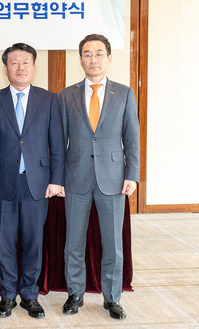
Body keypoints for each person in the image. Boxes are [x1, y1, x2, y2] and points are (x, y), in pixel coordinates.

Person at [58, 34, 139, 320]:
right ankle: (75, 293)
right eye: (87, 54)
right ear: (80, 59)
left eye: (99, 53)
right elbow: (59, 142)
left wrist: (133, 174)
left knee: (113, 244)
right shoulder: (66, 95)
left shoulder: (125, 93)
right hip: (76, 177)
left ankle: (112, 297)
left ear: (108, 57)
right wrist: (58, 179)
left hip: (114, 178)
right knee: (74, 242)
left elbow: (132, 137)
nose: (93, 59)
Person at [0, 43, 65, 319]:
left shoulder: (49, 99)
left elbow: (57, 144)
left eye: (25, 62)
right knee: (4, 241)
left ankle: (29, 294)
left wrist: (56, 180)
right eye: (14, 62)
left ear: (33, 66)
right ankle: (7, 295)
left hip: (37, 183)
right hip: (3, 184)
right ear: (5, 67)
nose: (20, 67)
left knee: (33, 242)